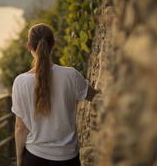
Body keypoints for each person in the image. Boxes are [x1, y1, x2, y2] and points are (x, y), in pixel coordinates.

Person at [11, 23, 98, 166]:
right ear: (54, 45)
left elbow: (20, 127)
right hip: (67, 157)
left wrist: (20, 160)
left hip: (34, 157)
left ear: (29, 47)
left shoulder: (20, 82)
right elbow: (96, 97)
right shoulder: (71, 75)